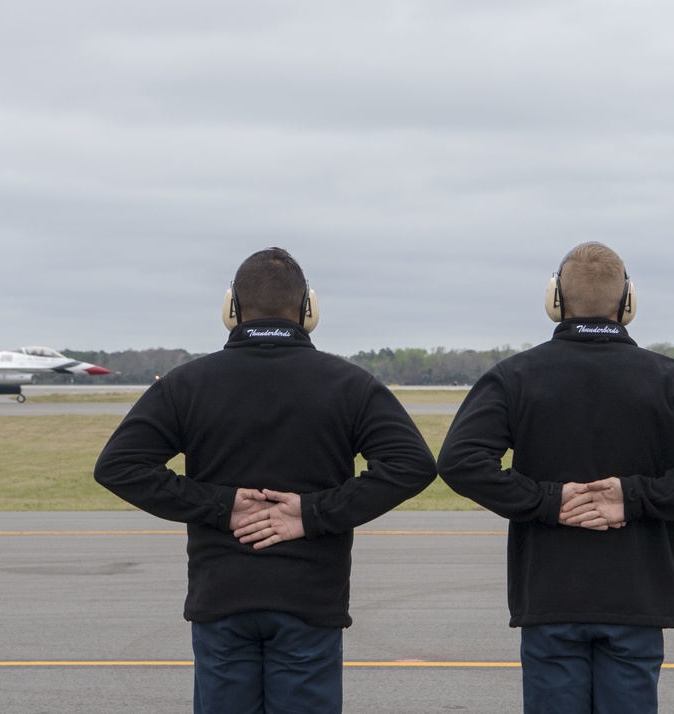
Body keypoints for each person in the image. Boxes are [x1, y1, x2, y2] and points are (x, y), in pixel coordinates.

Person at [94, 247, 437, 714]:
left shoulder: (187, 383)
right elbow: (412, 465)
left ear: (231, 309)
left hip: (222, 597)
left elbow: (119, 465)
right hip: (309, 599)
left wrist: (221, 506)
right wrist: (312, 514)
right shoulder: (349, 384)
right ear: (308, 310)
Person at [436, 242, 674, 714]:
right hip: (637, 598)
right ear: (628, 302)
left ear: (555, 301)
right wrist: (633, 497)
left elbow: (459, 461)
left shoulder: (514, 376)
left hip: (549, 598)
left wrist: (549, 502)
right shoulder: (673, 380)